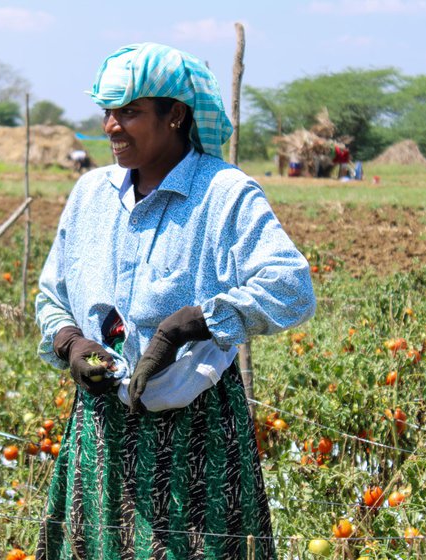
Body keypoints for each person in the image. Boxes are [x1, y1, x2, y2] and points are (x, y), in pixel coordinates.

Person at [35, 42, 316, 560]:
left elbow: (292, 287)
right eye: (109, 112)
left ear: (176, 116)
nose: (112, 126)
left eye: (131, 112)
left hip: (195, 436)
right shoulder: (91, 195)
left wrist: (190, 325)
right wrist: (71, 341)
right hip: (102, 434)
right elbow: (53, 294)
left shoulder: (225, 192)